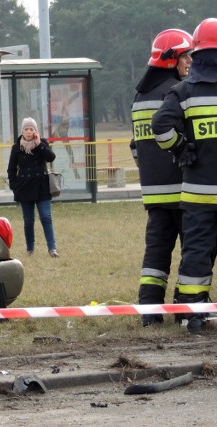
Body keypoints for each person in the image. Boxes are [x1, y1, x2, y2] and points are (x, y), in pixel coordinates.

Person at [152, 18, 217, 334]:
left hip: (197, 196)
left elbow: (160, 127)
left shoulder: (183, 91)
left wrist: (180, 148)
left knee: (196, 256)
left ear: (197, 53)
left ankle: (194, 317)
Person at [129, 29, 193, 327]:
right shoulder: (177, 92)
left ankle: (150, 313)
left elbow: (135, 146)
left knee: (155, 254)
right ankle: (185, 309)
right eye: (185, 56)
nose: (189, 62)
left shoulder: (139, 95)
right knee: (193, 252)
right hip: (181, 190)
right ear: (172, 60)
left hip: (154, 194)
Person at [7, 117, 59, 257]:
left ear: (36, 131)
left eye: (31, 129)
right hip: (24, 188)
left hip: (42, 186)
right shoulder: (16, 147)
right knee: (28, 220)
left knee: (46, 217)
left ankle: (52, 248)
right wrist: (14, 187)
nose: (29, 132)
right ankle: (30, 249)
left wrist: (39, 144)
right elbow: (11, 169)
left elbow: (51, 158)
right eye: (26, 129)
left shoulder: (42, 144)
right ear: (22, 131)